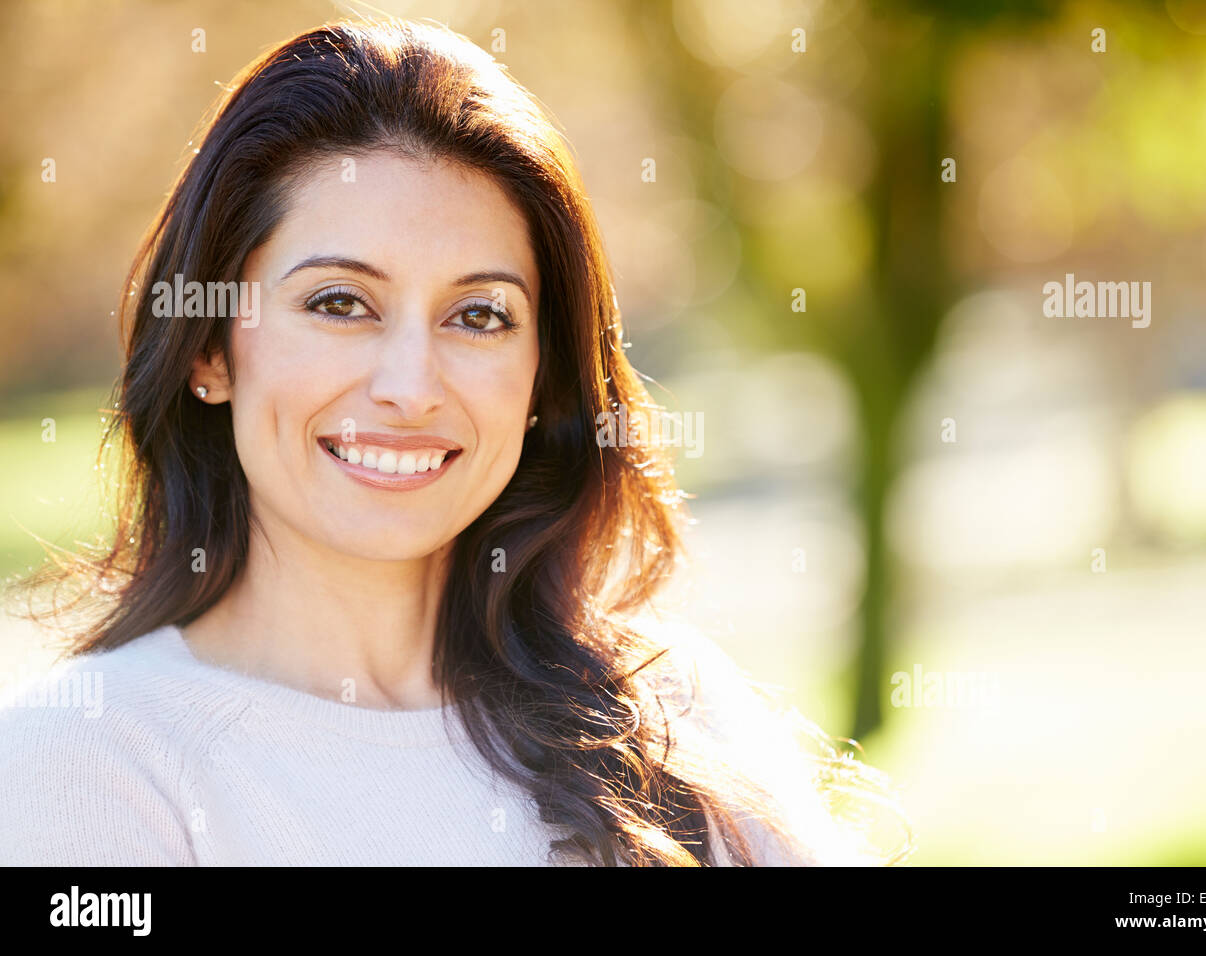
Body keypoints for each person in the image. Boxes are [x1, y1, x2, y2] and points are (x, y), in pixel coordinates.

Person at [0, 17, 907, 866]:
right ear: (210, 347)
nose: (410, 387)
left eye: (478, 316)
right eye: (339, 303)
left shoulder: (676, 715)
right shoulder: (86, 765)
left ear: (540, 379)